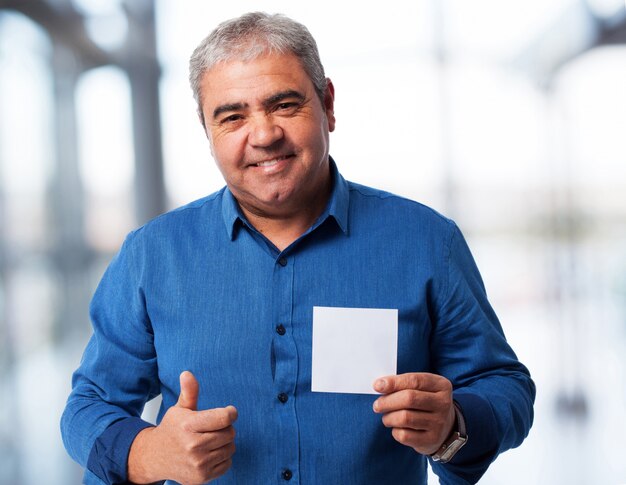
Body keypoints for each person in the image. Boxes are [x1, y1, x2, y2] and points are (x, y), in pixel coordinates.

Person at [61, 11, 535, 485]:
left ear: (327, 104)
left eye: (285, 105)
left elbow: (505, 386)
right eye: (232, 116)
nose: (264, 135)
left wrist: (452, 426)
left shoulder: (428, 242)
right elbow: (89, 406)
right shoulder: (151, 256)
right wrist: (147, 452)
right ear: (208, 132)